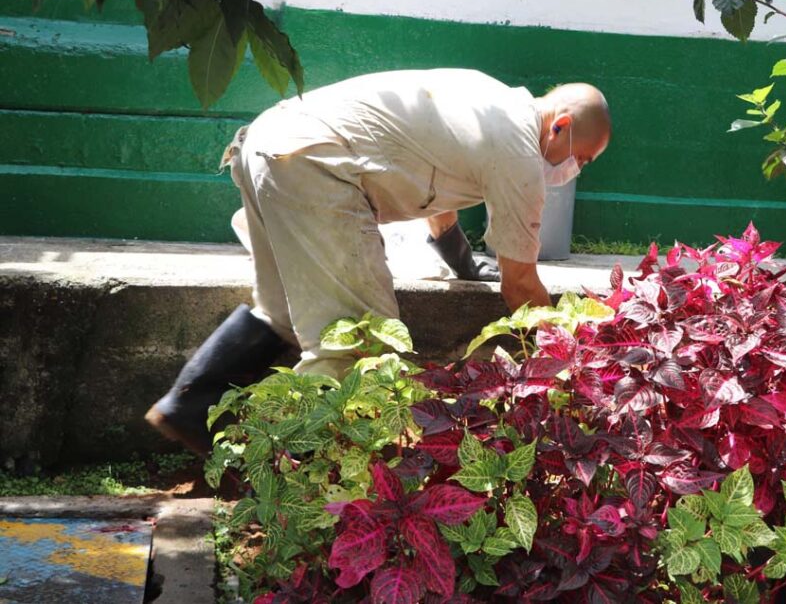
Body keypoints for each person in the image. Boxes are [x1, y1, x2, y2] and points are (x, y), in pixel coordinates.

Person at [145, 68, 612, 452]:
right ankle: (295, 476)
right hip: (315, 165)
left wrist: (462, 262)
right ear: (562, 125)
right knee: (360, 346)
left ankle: (187, 406)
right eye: (583, 160)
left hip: (268, 144)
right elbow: (521, 286)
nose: (574, 170)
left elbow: (435, 188)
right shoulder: (518, 151)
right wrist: (577, 360)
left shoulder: (488, 96)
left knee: (282, 314)